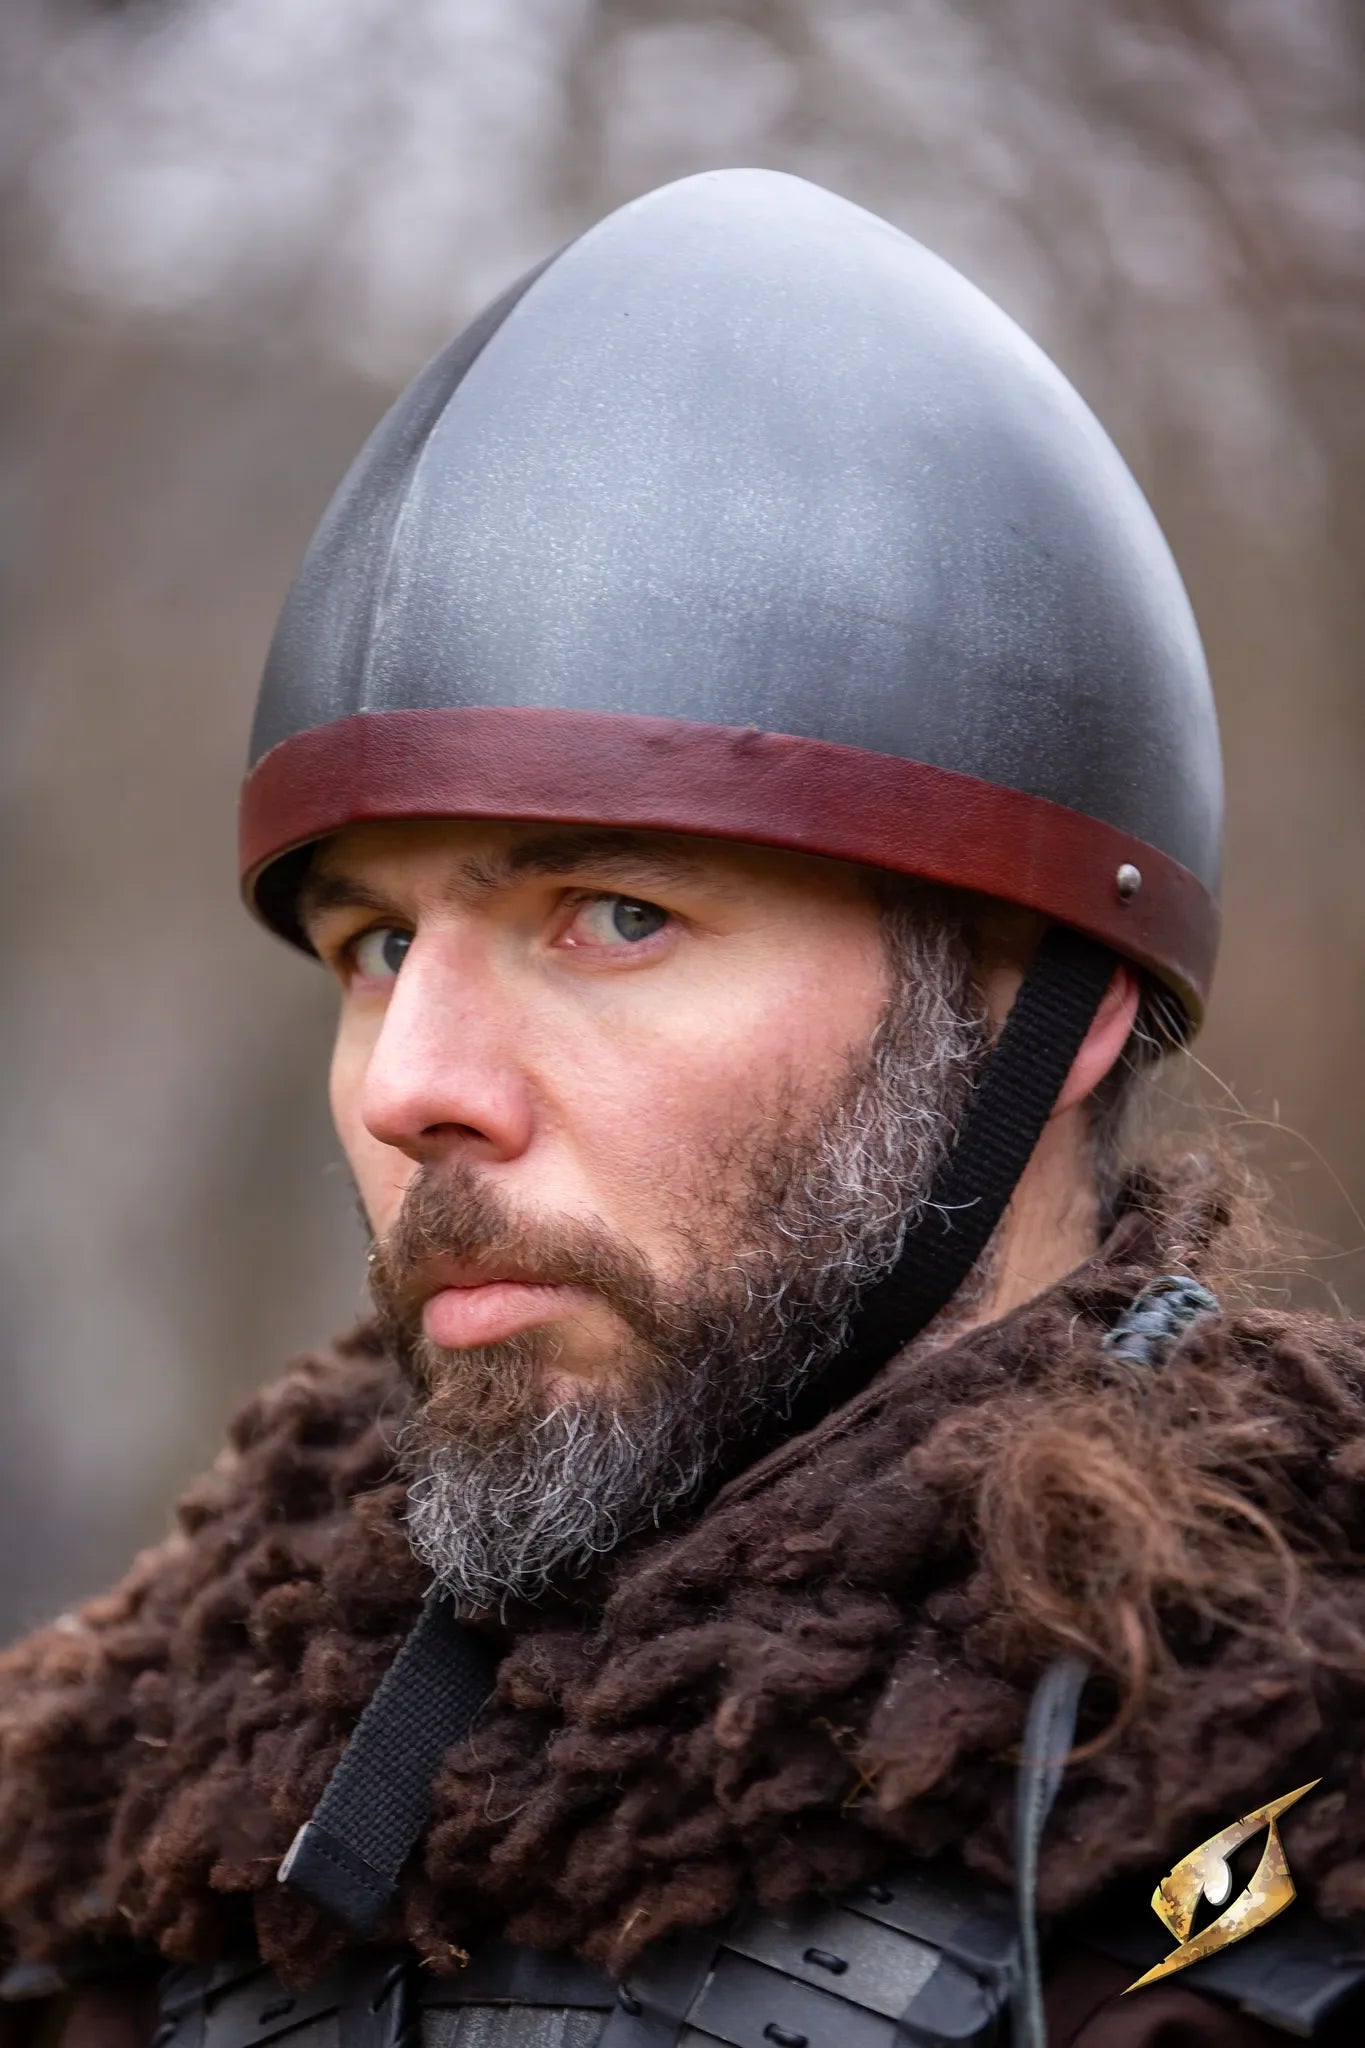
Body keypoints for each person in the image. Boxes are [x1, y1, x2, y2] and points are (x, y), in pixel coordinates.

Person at [2, 169, 1364, 2048]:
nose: (411, 1091)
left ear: (1043, 1007)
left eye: (615, 916)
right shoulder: (125, 1816)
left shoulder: (1287, 1791)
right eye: (376, 946)